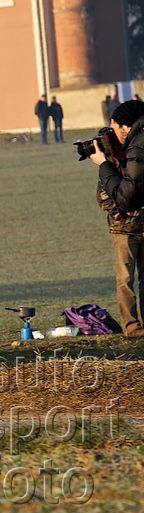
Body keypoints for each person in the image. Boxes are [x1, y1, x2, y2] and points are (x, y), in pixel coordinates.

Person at [97, 178, 144, 337]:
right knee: (125, 279)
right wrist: (122, 213)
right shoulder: (110, 166)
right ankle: (131, 327)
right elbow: (103, 197)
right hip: (123, 231)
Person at [92, 100, 144, 213]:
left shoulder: (138, 147)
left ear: (123, 126)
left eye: (113, 129)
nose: (113, 135)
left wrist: (104, 164)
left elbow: (125, 200)